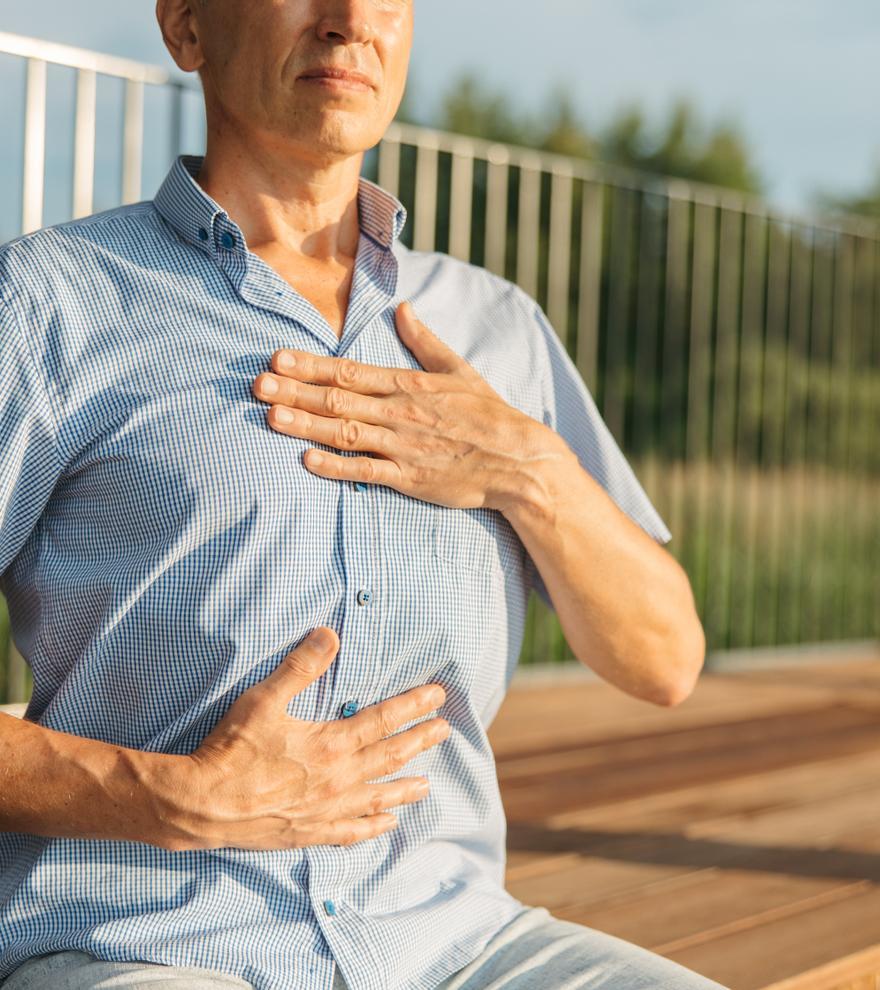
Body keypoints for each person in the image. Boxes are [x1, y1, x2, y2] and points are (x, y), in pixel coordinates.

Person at [0, 1, 725, 988]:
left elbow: (665, 659)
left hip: (461, 949)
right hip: (145, 949)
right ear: (185, 28)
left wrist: (526, 466)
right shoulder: (50, 303)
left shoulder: (495, 326)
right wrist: (173, 796)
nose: (348, 20)